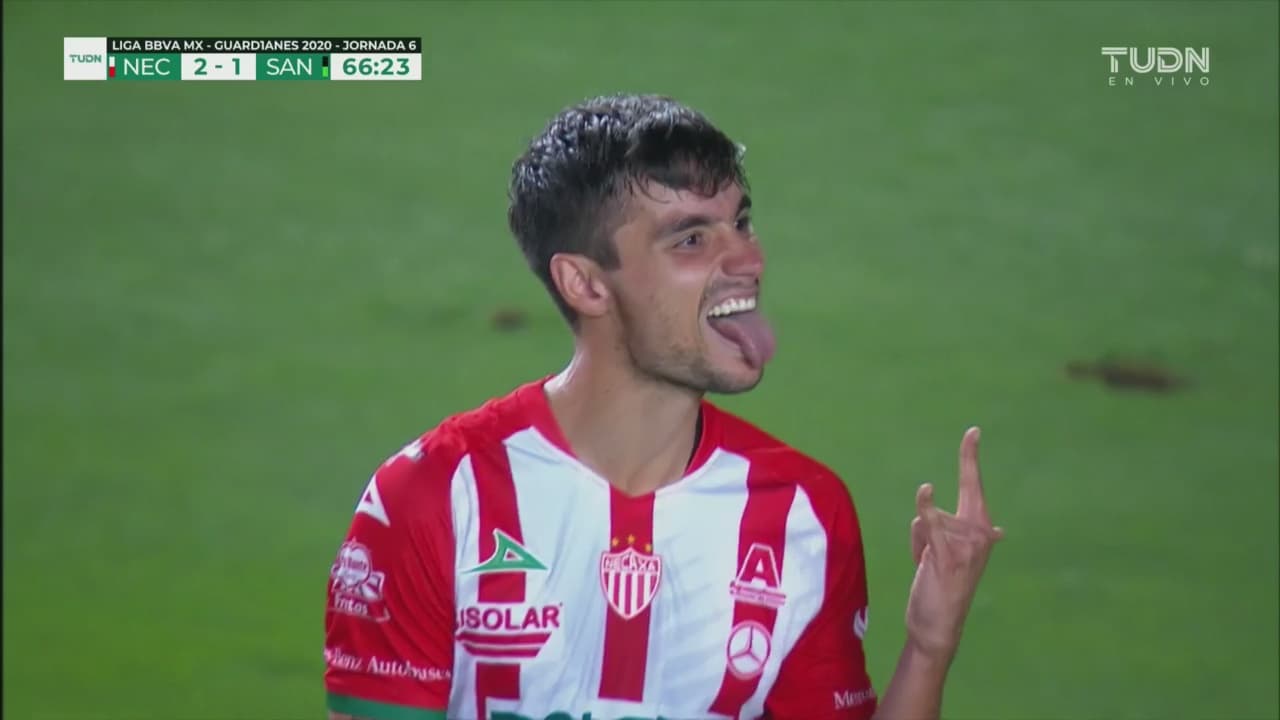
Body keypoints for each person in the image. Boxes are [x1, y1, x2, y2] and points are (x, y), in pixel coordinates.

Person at [324, 94, 1002, 720]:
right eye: (691, 239)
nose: (749, 258)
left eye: (741, 223)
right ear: (586, 284)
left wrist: (928, 647)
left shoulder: (801, 513)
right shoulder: (434, 495)